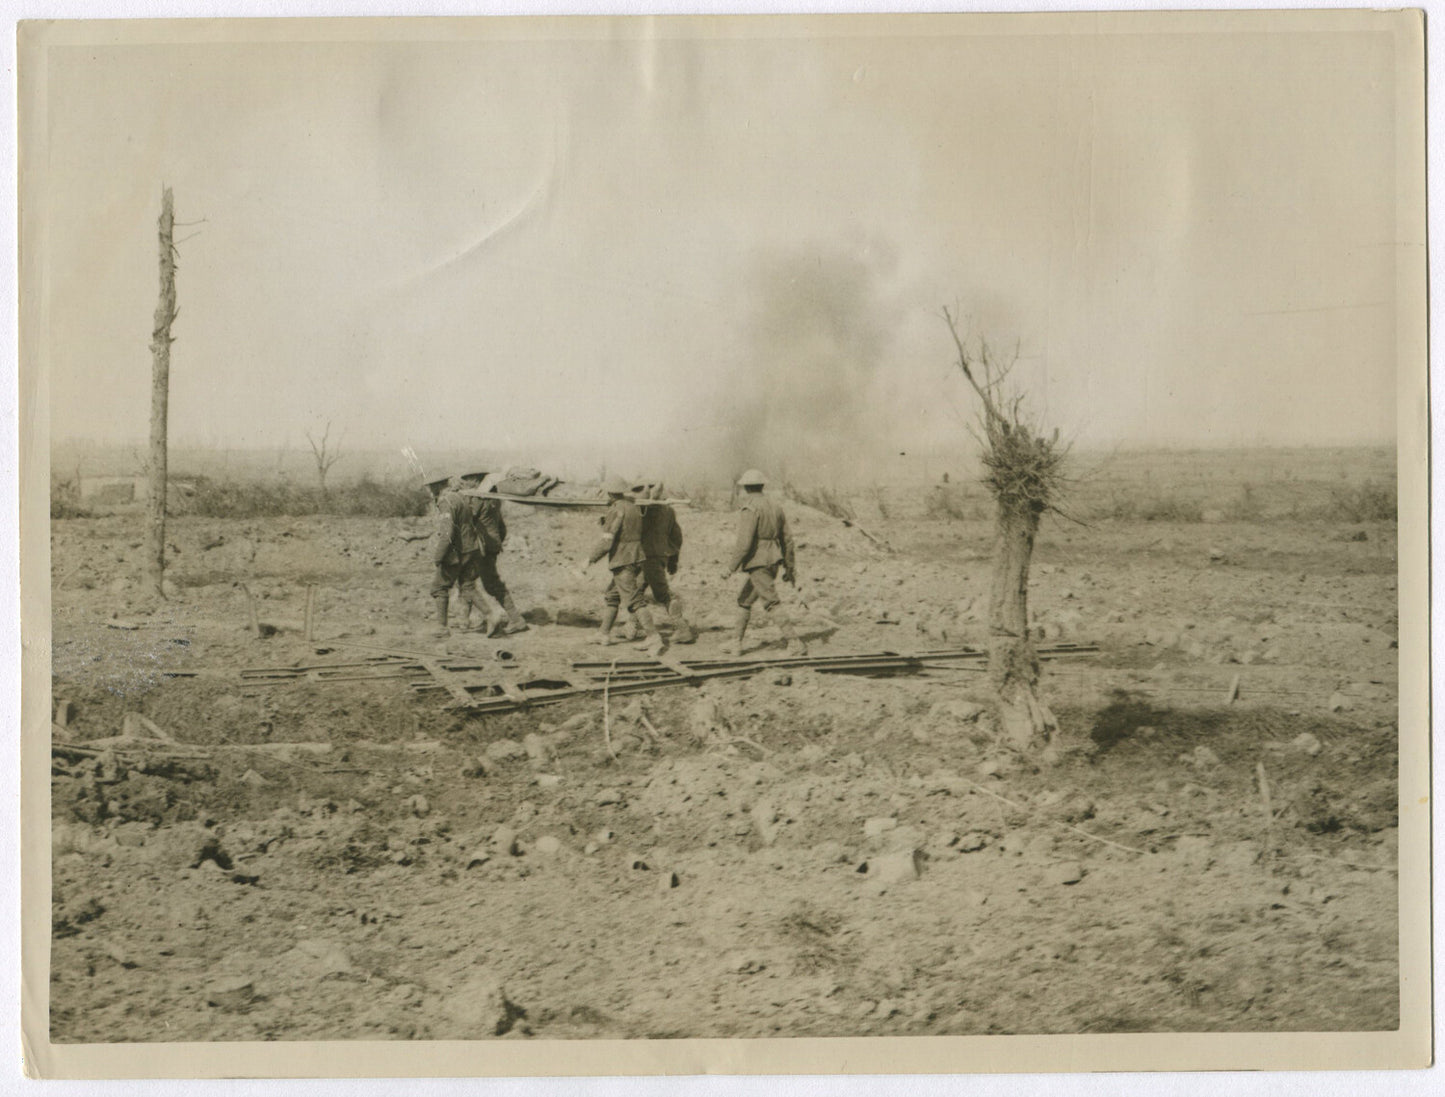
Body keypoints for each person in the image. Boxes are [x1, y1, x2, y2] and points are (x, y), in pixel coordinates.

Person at [720, 468, 806, 657]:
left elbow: (744, 543)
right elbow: (788, 540)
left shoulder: (750, 508)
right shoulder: (775, 507)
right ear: (762, 485)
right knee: (744, 600)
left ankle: (794, 642)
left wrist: (730, 568)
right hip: (773, 560)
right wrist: (790, 567)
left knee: (771, 602)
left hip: (757, 562)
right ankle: (736, 642)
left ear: (746, 488)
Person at [587, 475, 667, 656]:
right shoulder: (633, 507)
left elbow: (607, 541)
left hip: (622, 560)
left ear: (610, 493)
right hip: (636, 556)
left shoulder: (616, 510)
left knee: (634, 601)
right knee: (612, 596)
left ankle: (654, 637)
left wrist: (589, 559)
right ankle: (603, 633)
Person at [622, 477, 697, 644]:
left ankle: (682, 629)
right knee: (638, 592)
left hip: (648, 557)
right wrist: (673, 560)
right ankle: (631, 627)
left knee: (662, 594)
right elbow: (676, 536)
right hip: (657, 556)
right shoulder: (668, 510)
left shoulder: (643, 509)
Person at [429, 470, 499, 638]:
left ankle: (441, 628)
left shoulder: (446, 501)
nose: (430, 490)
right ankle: (490, 615)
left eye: (431, 487)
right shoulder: (461, 497)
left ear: (437, 486)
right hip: (473, 549)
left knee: (439, 587)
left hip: (457, 552)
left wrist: (439, 555)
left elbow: (448, 532)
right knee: (467, 586)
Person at [460, 470, 530, 637]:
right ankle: (464, 620)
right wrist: (496, 543)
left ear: (476, 480)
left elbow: (469, 519)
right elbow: (501, 526)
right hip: (491, 545)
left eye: (467, 479)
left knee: (474, 582)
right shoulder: (494, 498)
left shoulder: (477, 498)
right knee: (470, 580)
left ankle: (515, 619)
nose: (465, 482)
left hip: (481, 547)